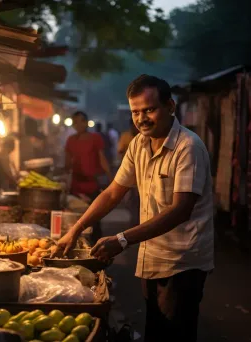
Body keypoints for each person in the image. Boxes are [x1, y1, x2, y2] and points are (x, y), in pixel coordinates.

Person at [56, 75, 214, 342]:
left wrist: (122, 238)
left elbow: (180, 210)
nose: (142, 118)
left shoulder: (188, 147)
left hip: (181, 262)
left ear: (171, 107)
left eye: (149, 109)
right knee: (155, 330)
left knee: (175, 334)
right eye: (136, 112)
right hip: (151, 256)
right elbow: (112, 192)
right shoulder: (138, 145)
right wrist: (75, 229)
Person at [65, 111, 112, 243]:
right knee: (77, 219)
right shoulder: (71, 140)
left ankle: (97, 248)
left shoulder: (95, 138)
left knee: (95, 219)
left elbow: (102, 159)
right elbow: (67, 162)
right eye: (74, 122)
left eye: (80, 121)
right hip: (76, 187)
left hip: (92, 186)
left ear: (86, 122)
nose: (77, 125)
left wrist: (111, 179)